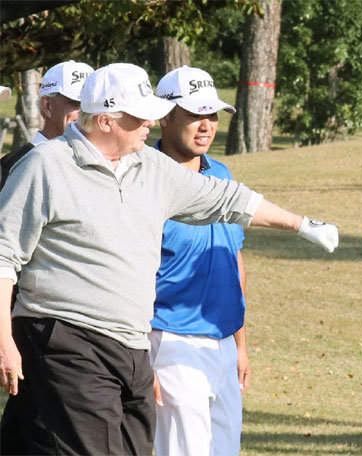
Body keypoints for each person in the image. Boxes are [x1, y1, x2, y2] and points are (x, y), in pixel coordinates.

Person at [0, 62, 338, 455]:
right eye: (141, 116)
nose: (151, 123)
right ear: (107, 120)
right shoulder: (45, 166)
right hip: (65, 337)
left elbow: (227, 200)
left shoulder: (150, 166)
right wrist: (4, 340)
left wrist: (301, 224)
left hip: (130, 347)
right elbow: (4, 257)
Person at [150, 65, 249, 456]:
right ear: (164, 115)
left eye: (213, 114)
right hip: (171, 340)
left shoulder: (222, 174)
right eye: (195, 114)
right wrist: (142, 358)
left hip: (222, 339)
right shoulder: (144, 177)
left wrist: (240, 343)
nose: (207, 124)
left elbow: (233, 257)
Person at [0, 60, 94, 189]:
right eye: (78, 103)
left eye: (94, 105)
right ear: (47, 106)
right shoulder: (11, 168)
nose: (89, 113)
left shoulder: (108, 164)